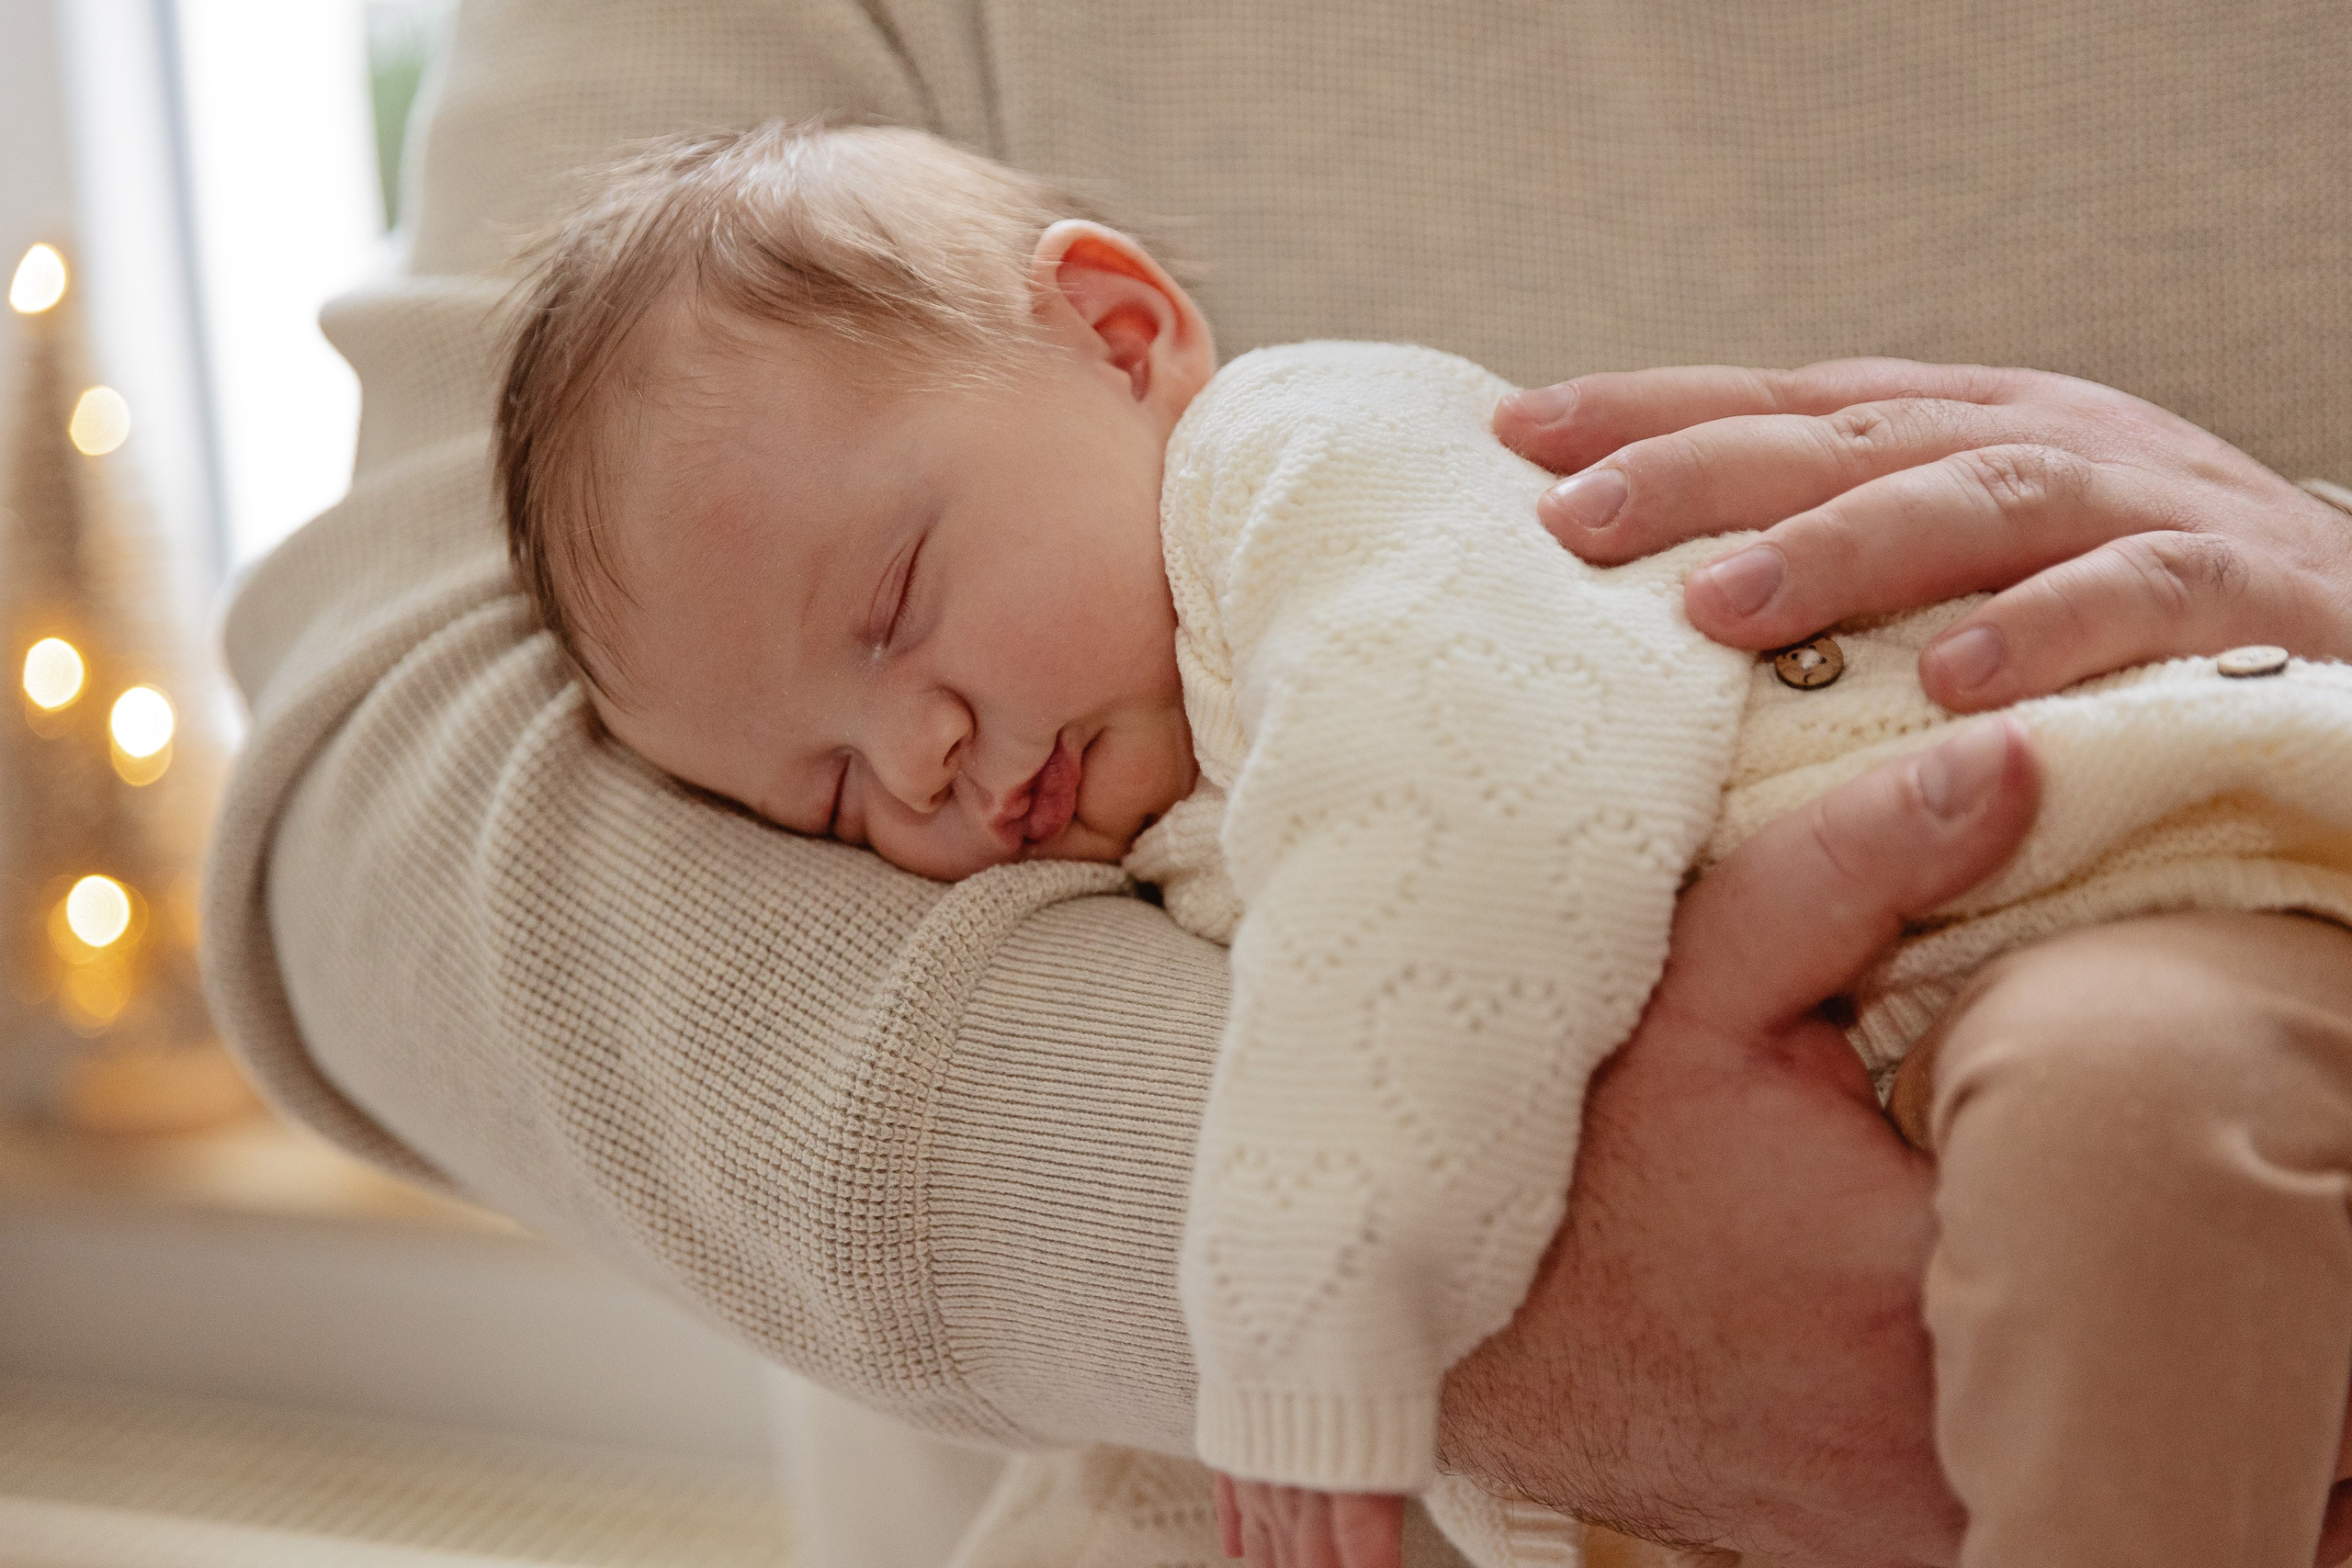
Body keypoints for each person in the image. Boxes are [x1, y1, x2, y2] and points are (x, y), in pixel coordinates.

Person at [198, 4, 2352, 1563]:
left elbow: (1461, 833)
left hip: (2120, 882)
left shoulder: (1314, 474)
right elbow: (379, 776)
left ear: (1120, 339)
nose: (921, 765)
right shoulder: (1156, 800)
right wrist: (1289, 1357)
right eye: (824, 805)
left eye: (898, 609)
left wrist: (1319, 1326)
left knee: (2125, 1111)